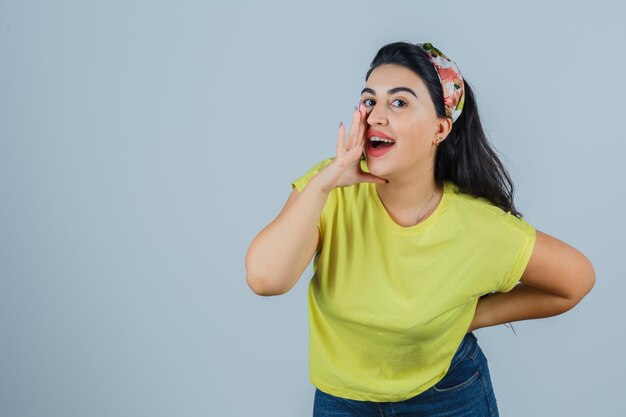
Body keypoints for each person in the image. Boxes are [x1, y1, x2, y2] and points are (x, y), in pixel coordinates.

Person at [245, 41, 595, 416]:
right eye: (369, 101)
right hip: (341, 400)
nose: (377, 115)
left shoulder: (474, 224)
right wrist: (324, 184)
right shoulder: (329, 192)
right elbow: (266, 280)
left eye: (399, 102)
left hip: (448, 394)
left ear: (439, 129)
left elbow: (575, 281)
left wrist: (469, 317)